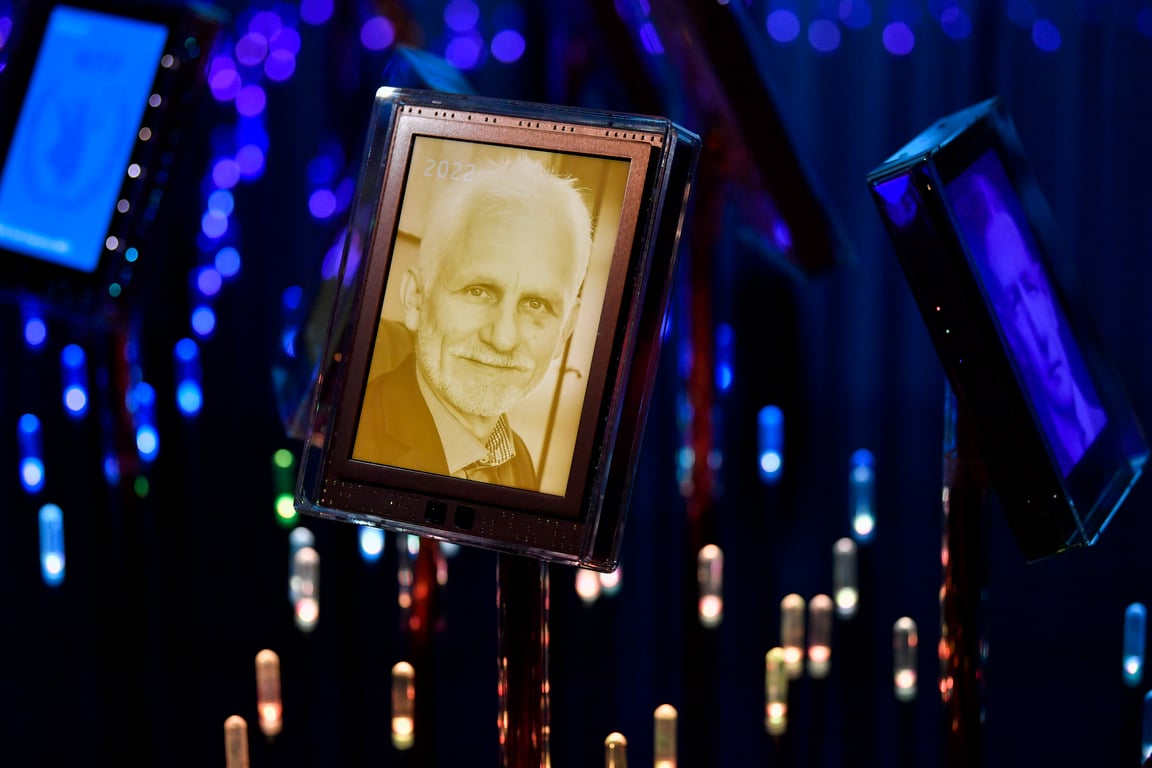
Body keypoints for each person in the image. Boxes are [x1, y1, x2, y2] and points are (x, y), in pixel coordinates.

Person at [352, 154, 594, 491]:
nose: (503, 338)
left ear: (566, 330)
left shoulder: (518, 460)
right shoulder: (354, 437)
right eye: (477, 291)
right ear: (417, 297)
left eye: (536, 304)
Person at [976, 186, 1106, 475]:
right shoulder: (1035, 466)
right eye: (1015, 302)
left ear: (1047, 293)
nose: (1041, 333)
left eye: (1032, 288)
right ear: (1010, 335)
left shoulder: (1106, 429)